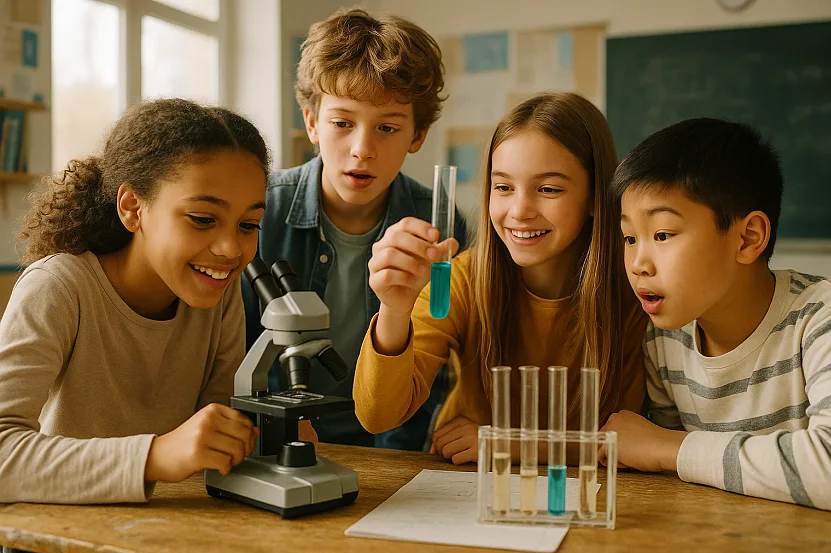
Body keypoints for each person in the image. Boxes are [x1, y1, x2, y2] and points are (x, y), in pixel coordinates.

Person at [0, 98, 268, 504]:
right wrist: (154, 456)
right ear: (132, 208)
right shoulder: (58, 287)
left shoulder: (220, 294)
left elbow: (212, 436)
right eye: (202, 219)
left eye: (249, 225)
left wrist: (259, 435)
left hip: (167, 530)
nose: (231, 249)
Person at [355, 92, 648, 464]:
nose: (520, 211)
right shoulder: (462, 279)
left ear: (594, 196)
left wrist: (512, 444)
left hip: (588, 496)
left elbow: (629, 440)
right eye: (504, 187)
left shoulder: (634, 291)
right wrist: (394, 309)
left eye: (548, 189)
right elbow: (377, 416)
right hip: (465, 487)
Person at [243, 8, 467, 450]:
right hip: (278, 437)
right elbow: (233, 348)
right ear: (311, 122)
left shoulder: (439, 223)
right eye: (342, 123)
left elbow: (432, 361)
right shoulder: (262, 209)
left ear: (417, 135)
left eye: (387, 128)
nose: (362, 150)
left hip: (395, 443)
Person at [604, 117, 831, 511]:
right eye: (630, 238)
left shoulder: (822, 318)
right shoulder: (665, 341)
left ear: (747, 238)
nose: (637, 263)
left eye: (662, 234)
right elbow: (676, 482)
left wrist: (670, 447)